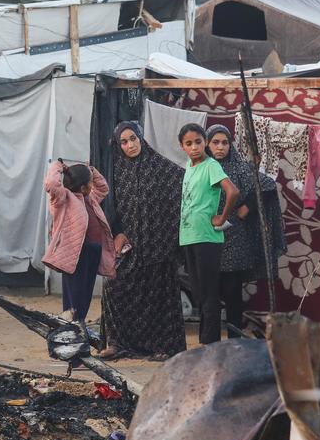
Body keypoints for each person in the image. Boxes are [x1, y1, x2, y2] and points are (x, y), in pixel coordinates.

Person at [98, 121, 186, 361]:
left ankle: (164, 346)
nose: (130, 145)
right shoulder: (116, 170)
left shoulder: (161, 166)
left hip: (159, 244)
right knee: (114, 288)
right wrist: (117, 231)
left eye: (133, 139)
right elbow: (110, 205)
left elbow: (185, 187)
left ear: (141, 138)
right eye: (124, 142)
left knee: (160, 294)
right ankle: (117, 343)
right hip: (131, 245)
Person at [206, 124, 287, 336]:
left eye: (225, 142)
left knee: (232, 291)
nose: (220, 147)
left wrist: (247, 207)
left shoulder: (240, 167)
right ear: (207, 144)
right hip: (207, 235)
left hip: (234, 237)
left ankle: (235, 338)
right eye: (215, 142)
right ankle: (209, 342)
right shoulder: (201, 166)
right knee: (209, 292)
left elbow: (267, 185)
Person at [179, 123, 239, 346]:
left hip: (206, 237)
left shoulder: (211, 165)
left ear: (205, 142)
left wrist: (221, 218)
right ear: (182, 147)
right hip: (189, 236)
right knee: (199, 294)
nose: (194, 147)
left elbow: (232, 191)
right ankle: (206, 341)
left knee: (209, 293)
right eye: (189, 144)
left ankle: (209, 343)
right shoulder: (189, 166)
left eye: (198, 142)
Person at [42, 159, 116, 332]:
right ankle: (71, 342)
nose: (93, 184)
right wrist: (59, 167)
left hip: (92, 252)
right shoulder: (63, 198)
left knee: (84, 299)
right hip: (75, 255)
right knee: (73, 302)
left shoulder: (90, 198)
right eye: (90, 181)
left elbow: (103, 187)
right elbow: (52, 184)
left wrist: (89, 170)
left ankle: (79, 334)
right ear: (83, 187)